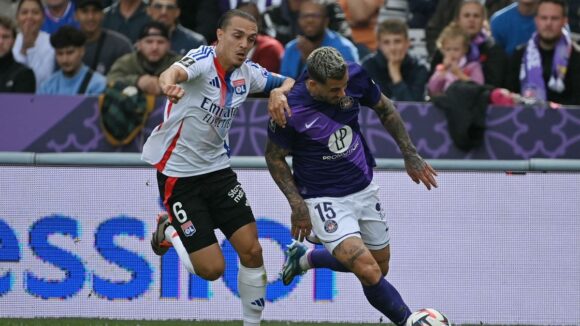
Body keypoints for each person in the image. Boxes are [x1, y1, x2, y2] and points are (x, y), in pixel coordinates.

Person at [142, 9, 294, 326]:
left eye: (250, 40)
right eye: (237, 36)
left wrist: (279, 91)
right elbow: (171, 73)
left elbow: (293, 81)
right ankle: (168, 228)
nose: (243, 45)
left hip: (219, 173)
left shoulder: (247, 74)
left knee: (252, 251)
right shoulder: (200, 61)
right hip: (179, 176)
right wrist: (168, 85)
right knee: (212, 270)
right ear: (220, 35)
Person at [265, 46, 437, 326]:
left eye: (345, 87)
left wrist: (410, 153)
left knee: (380, 266)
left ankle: (306, 259)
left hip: (363, 187)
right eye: (334, 90)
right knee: (367, 270)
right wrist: (297, 205)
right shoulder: (289, 108)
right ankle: (410, 321)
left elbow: (386, 109)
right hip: (322, 198)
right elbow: (273, 158)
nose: (343, 94)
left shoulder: (354, 75)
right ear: (312, 85)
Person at [505, 0, 580, 105]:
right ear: (536, 20)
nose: (548, 23)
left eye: (554, 18)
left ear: (565, 21)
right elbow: (509, 98)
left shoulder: (577, 57)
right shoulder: (519, 56)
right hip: (524, 119)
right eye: (544, 18)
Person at [430, 0, 508, 88]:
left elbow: (494, 85)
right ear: (458, 20)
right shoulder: (445, 48)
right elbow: (431, 86)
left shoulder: (493, 50)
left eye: (476, 16)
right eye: (466, 16)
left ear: (483, 20)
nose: (471, 20)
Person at [280, 0, 359, 79]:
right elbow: (285, 83)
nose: (309, 20)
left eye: (315, 16)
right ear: (298, 20)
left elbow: (349, 86)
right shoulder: (291, 48)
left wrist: (311, 59)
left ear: (326, 21)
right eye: (304, 16)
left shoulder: (343, 48)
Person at [361, 19, 428, 101]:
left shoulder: (419, 68)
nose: (392, 48)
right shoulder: (369, 66)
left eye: (397, 41)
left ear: (407, 43)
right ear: (379, 45)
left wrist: (396, 75)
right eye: (386, 42)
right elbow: (376, 103)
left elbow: (413, 107)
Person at [107, 21, 181, 96]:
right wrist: (137, 80)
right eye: (149, 42)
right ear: (139, 44)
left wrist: (164, 83)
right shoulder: (126, 61)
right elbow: (110, 80)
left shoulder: (178, 62)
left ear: (168, 45)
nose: (154, 47)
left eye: (160, 42)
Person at [38, 25, 106, 95]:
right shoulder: (47, 86)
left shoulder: (98, 84)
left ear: (82, 51)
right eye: (60, 54)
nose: (65, 60)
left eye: (70, 53)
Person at [75, 0, 134, 75]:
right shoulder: (67, 45)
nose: (90, 17)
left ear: (103, 14)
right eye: (85, 11)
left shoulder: (121, 46)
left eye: (95, 11)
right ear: (76, 15)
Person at [427, 24, 484, 97]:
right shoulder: (441, 68)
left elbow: (479, 88)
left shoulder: (473, 66)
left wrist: (458, 73)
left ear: (465, 49)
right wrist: (442, 72)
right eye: (448, 49)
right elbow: (432, 89)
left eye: (456, 49)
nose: (451, 53)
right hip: (447, 104)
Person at [12, 0, 55, 89]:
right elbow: (12, 78)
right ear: (17, 17)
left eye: (35, 12)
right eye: (24, 12)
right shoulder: (10, 40)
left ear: (43, 18)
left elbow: (43, 80)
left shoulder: (52, 42)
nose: (29, 17)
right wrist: (24, 50)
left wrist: (30, 49)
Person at [237, 1, 285, 74]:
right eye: (240, 21)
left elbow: (262, 83)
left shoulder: (271, 47)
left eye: (252, 20)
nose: (245, 26)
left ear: (259, 23)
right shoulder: (219, 46)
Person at [0, 15, 36, 93]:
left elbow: (22, 105)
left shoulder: (24, 74)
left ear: (13, 41)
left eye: (5, 37)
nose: (1, 42)